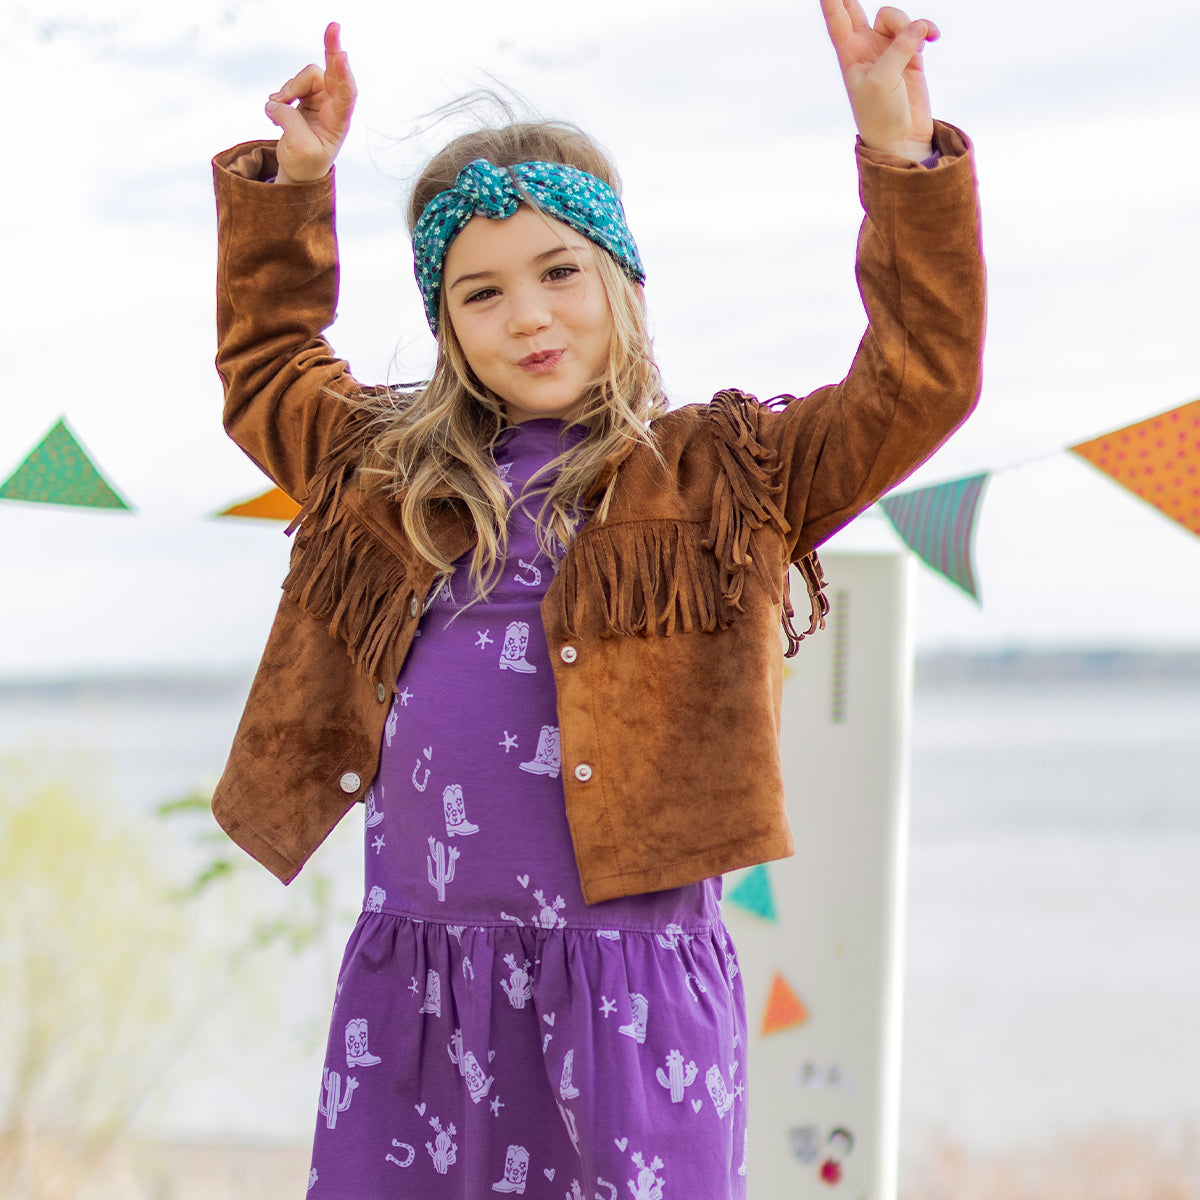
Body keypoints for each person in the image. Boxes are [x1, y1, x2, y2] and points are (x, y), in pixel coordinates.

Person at [210, 3, 984, 1195]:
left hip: (629, 995)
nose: (527, 315)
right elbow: (269, 363)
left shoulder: (734, 475)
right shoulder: (380, 472)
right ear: (445, 323)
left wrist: (899, 153)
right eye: (479, 293)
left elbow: (921, 374)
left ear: (619, 275)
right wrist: (292, 190)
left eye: (559, 271)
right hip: (424, 990)